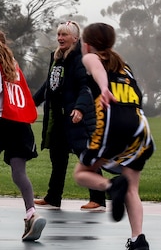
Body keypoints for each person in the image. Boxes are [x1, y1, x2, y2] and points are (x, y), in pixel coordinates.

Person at [73, 23, 154, 250]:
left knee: (81, 173)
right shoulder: (124, 66)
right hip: (140, 129)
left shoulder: (89, 57)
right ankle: (138, 240)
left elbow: (95, 65)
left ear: (86, 44)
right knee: (132, 188)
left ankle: (110, 187)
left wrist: (103, 87)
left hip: (112, 126)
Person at [0, 26, 46, 241]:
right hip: (19, 123)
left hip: (0, 124)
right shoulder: (12, 63)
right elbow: (11, 96)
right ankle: (31, 213)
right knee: (19, 172)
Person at [32, 21, 106, 211]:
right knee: (57, 159)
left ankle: (98, 199)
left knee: (85, 157)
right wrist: (30, 104)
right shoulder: (57, 58)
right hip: (58, 119)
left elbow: (86, 86)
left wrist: (80, 108)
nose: (60, 38)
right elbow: (48, 86)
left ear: (75, 38)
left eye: (64, 35)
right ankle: (53, 197)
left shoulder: (80, 59)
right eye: (58, 35)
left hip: (76, 119)